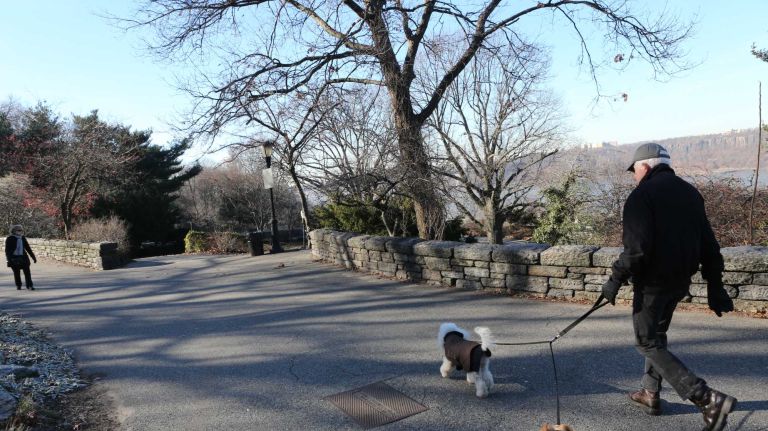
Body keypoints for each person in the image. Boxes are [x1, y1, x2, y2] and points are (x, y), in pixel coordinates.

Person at [601, 143, 737, 431]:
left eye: (635, 171)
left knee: (646, 341)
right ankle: (650, 393)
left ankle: (706, 398)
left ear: (646, 167)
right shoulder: (690, 193)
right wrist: (715, 285)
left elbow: (636, 251)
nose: (634, 177)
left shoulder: (642, 196)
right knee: (657, 336)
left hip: (652, 285)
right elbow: (709, 246)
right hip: (678, 283)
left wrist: (614, 279)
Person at [5, 224, 37, 290]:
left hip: (23, 257)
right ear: (14, 231)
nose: (20, 231)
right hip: (14, 258)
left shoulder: (22, 238)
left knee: (27, 272)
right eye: (18, 230)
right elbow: (7, 250)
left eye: (21, 230)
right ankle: (18, 285)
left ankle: (30, 285)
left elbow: (28, 248)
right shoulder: (10, 238)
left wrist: (33, 257)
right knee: (17, 273)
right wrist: (8, 259)